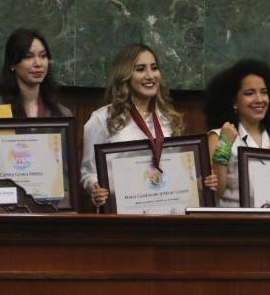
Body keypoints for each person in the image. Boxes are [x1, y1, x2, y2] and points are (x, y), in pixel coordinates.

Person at [80, 43, 217, 207]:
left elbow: (176, 173)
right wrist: (95, 188)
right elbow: (88, 172)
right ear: (125, 75)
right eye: (140, 69)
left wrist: (201, 182)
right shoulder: (102, 119)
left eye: (154, 68)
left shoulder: (168, 119)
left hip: (164, 211)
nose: (150, 75)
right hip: (122, 214)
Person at [204, 59, 270, 207]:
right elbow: (215, 193)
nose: (259, 99)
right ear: (234, 101)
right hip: (235, 225)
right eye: (250, 93)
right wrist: (224, 144)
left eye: (264, 92)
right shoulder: (218, 136)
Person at [0, 28, 71, 117]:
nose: (38, 64)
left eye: (43, 56)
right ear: (12, 64)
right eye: (28, 57)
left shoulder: (63, 114)